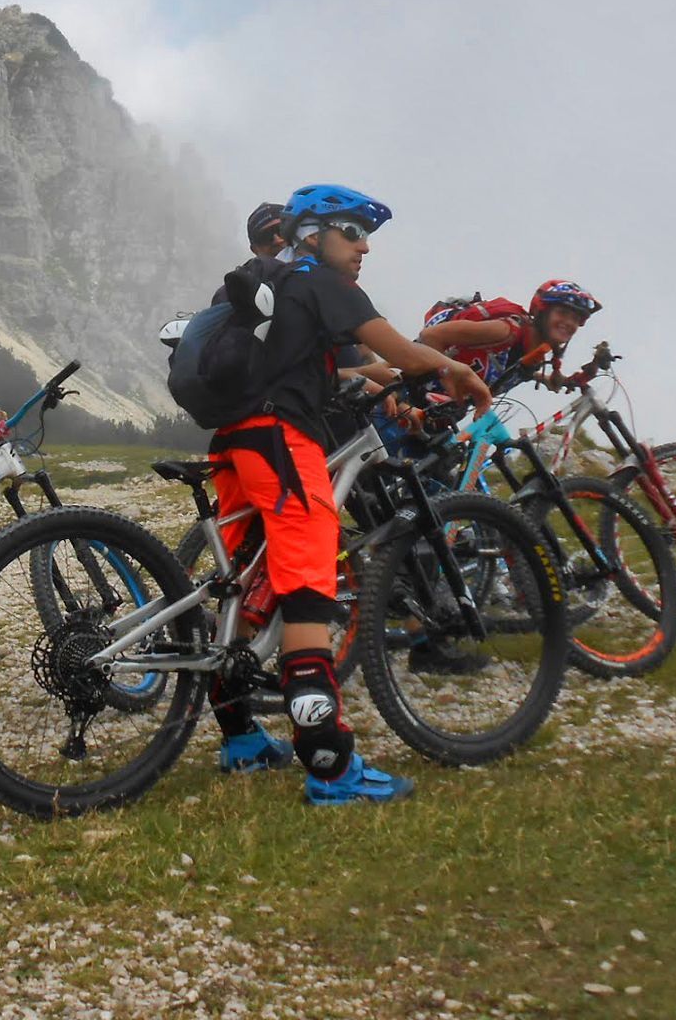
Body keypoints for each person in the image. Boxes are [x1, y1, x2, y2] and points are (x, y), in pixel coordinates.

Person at [207, 183, 492, 804]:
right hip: (283, 442)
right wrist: (458, 370)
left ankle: (241, 739)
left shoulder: (272, 285)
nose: (364, 247)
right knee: (307, 592)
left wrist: (372, 377)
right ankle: (330, 766)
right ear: (314, 234)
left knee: (242, 594)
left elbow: (322, 365)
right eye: (352, 232)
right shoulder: (321, 282)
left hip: (236, 443)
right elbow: (403, 350)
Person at [416, 279, 604, 396]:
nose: (569, 323)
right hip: (404, 401)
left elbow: (515, 371)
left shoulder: (535, 354)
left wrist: (554, 379)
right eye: (562, 312)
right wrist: (447, 381)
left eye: (575, 318)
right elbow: (430, 336)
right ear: (541, 311)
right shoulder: (505, 331)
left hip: (433, 422)